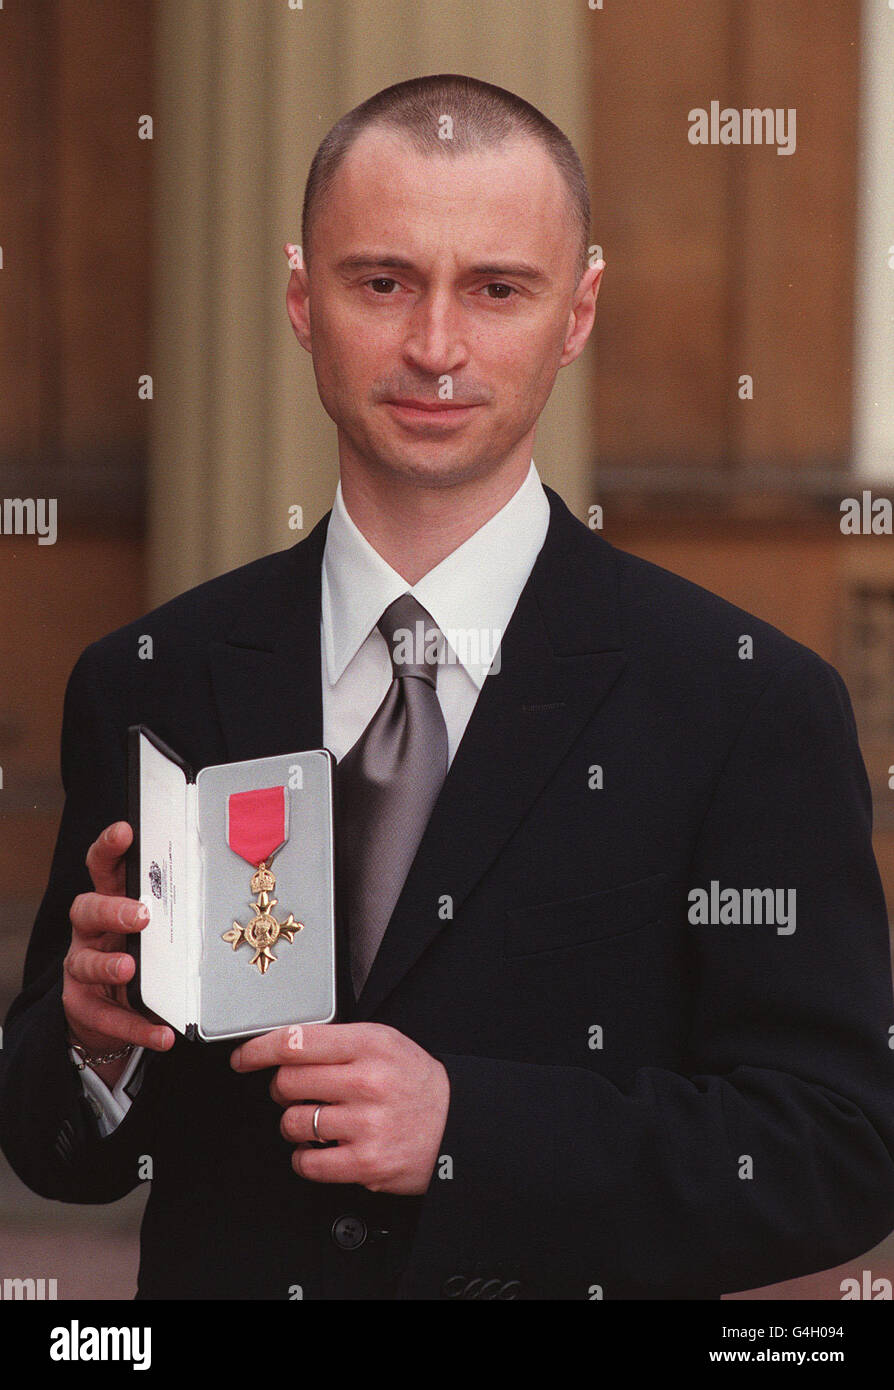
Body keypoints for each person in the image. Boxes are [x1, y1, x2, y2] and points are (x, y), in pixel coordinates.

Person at [2, 73, 893, 1301]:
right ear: (301, 298)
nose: (435, 346)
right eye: (382, 282)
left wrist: (472, 1133)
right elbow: (60, 1155)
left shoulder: (744, 703)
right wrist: (94, 1050)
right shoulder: (148, 678)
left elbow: (838, 1148)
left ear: (577, 311)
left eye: (497, 288)